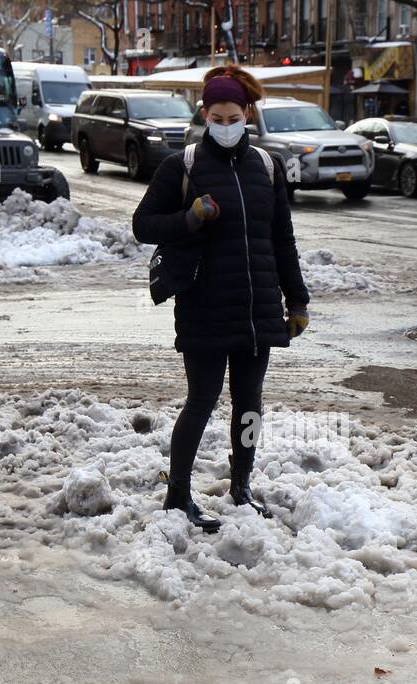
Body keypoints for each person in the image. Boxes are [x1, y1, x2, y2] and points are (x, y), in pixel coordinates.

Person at [132, 66, 310, 533]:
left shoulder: (267, 167)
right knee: (201, 402)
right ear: (204, 114)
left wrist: (298, 301)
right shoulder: (182, 166)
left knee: (250, 404)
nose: (226, 125)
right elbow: (143, 224)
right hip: (205, 306)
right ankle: (179, 496)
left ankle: (242, 486)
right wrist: (189, 217)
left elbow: (282, 239)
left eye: (234, 116)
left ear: (247, 113)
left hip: (257, 310)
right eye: (217, 116)